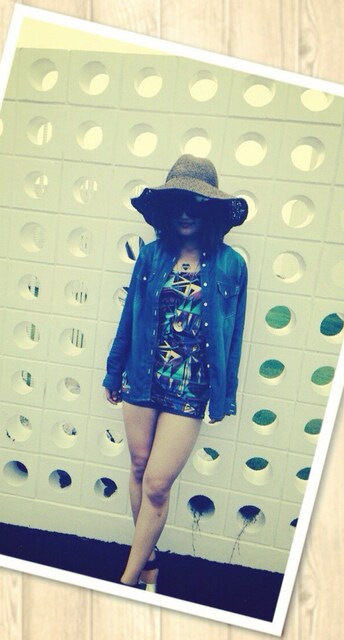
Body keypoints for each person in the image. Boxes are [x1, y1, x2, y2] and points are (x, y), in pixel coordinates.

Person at [102, 154, 249, 592]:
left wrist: (224, 395)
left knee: (157, 483)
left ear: (211, 210)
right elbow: (130, 316)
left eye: (196, 203)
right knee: (139, 466)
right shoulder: (151, 257)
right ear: (167, 209)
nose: (186, 212)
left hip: (190, 387)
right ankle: (148, 562)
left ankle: (127, 580)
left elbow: (233, 334)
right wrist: (113, 371)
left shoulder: (232, 265)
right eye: (178, 202)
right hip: (141, 378)